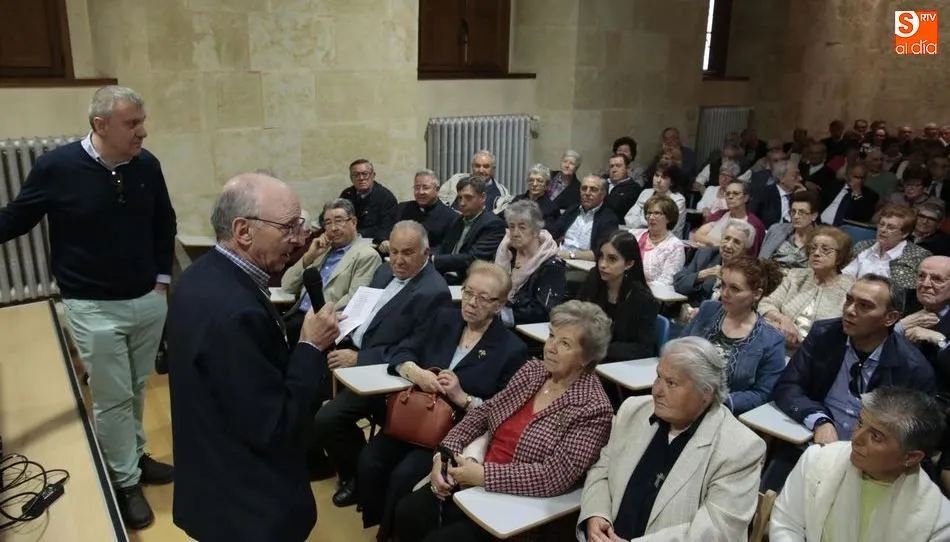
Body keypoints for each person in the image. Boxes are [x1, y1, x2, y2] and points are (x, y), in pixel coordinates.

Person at [0, 85, 176, 528]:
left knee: (135, 387)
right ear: (101, 125)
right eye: (132, 124)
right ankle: (125, 481)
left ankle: (135, 456)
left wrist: (161, 281)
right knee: (113, 398)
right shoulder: (56, 167)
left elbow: (164, 220)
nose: (142, 132)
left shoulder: (147, 165)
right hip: (93, 305)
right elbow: (17, 218)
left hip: (147, 299)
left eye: (141, 121)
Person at [166, 173, 341, 541]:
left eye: (300, 225)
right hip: (248, 508)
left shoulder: (198, 277)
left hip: (211, 484)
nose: (300, 239)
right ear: (243, 231)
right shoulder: (237, 313)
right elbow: (276, 427)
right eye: (288, 228)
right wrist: (310, 348)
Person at [393, 301, 615, 542]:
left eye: (565, 344)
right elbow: (483, 413)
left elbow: (553, 476)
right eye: (551, 336)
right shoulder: (533, 371)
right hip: (472, 474)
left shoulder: (593, 408)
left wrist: (483, 476)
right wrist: (443, 455)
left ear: (587, 357)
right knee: (408, 512)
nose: (550, 347)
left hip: (518, 503)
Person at [356, 262, 528, 541]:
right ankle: (377, 519)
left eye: (483, 298)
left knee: (403, 476)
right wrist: (416, 373)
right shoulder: (443, 319)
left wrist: (463, 397)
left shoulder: (512, 349)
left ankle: (388, 536)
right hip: (413, 415)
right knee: (370, 460)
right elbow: (402, 351)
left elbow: (503, 413)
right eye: (468, 292)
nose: (471, 303)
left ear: (498, 305)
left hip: (454, 431)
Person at [313, 220, 451, 508]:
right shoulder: (384, 270)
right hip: (350, 346)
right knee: (304, 387)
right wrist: (340, 322)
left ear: (426, 254)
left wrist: (359, 359)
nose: (398, 260)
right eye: (394, 252)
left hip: (384, 371)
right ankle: (317, 459)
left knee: (329, 418)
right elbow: (364, 309)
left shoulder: (433, 292)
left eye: (407, 253)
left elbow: (415, 348)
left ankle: (356, 478)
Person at [577, 337, 766, 541]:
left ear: (706, 393)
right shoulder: (632, 411)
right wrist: (596, 514)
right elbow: (602, 471)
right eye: (658, 376)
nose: (656, 391)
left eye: (671, 383)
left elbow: (718, 531)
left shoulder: (740, 449)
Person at [770, 387, 950, 541]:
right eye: (860, 423)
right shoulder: (818, 459)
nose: (856, 438)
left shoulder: (938, 522)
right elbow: (787, 523)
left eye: (876, 437)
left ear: (910, 457)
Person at [680, 257, 786, 414]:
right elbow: (679, 348)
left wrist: (719, 401)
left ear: (757, 294)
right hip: (682, 395)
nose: (724, 293)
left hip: (723, 413)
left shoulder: (771, 340)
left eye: (735, 289)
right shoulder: (708, 310)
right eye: (723, 284)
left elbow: (762, 394)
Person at [280, 198, 381, 344]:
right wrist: (309, 256)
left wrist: (320, 317)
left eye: (339, 221)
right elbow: (287, 286)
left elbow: (354, 300)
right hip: (296, 316)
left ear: (353, 222)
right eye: (327, 223)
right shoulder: (322, 250)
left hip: (325, 324)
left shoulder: (367, 255)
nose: (333, 228)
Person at [760, 226, 855, 349]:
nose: (816, 253)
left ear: (840, 257)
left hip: (819, 353)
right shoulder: (795, 276)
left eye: (825, 250)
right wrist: (783, 320)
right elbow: (766, 303)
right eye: (812, 248)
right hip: (778, 344)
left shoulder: (850, 287)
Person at [577, 230, 658, 363]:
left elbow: (644, 348)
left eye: (612, 259)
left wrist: (599, 349)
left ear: (629, 264)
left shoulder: (643, 299)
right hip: (586, 356)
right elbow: (575, 315)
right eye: (601, 257)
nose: (603, 264)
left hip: (616, 364)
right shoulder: (593, 278)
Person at [493, 200, 566, 326]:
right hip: (497, 319)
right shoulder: (507, 253)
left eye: (522, 227)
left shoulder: (552, 266)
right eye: (512, 227)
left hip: (525, 329)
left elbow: (542, 312)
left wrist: (499, 315)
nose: (515, 233)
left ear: (536, 231)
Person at [432, 176, 507, 285]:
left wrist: (434, 260)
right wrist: (427, 256)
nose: (462, 203)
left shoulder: (493, 224)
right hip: (444, 276)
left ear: (482, 197)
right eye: (459, 198)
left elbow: (473, 259)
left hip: (469, 281)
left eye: (468, 197)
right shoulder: (458, 220)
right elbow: (444, 246)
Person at [843, 204, 932, 292]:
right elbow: (845, 277)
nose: (883, 230)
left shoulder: (918, 256)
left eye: (891, 227)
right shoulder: (864, 246)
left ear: (904, 233)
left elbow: (908, 292)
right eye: (881, 224)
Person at [674, 220, 756, 307]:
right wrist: (702, 274)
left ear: (745, 249)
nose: (728, 245)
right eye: (726, 238)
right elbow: (678, 284)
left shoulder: (748, 272)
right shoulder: (705, 255)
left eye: (736, 242)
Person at [379, 169, 457, 253]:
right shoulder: (402, 208)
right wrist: (384, 240)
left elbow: (446, 248)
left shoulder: (450, 217)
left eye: (425, 188)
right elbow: (383, 229)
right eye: (417, 188)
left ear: (437, 190)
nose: (420, 192)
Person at [629, 195, 686, 286]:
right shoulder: (633, 234)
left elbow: (667, 281)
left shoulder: (675, 246)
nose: (651, 217)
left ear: (669, 217)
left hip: (653, 291)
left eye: (657, 213)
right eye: (649, 213)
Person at [339, 158, 398, 244]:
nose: (361, 178)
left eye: (365, 174)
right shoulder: (347, 194)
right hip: (347, 241)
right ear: (351, 178)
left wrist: (357, 234)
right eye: (356, 175)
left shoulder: (386, 197)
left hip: (372, 243)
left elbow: (387, 228)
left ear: (373, 175)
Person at [759, 190, 820, 269]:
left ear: (814, 216)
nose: (796, 216)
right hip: (771, 274)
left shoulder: (822, 238)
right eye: (793, 211)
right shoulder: (776, 230)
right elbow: (761, 260)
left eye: (801, 212)